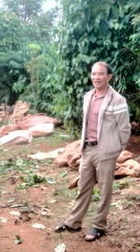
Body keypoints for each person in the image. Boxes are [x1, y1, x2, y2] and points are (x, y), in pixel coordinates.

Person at [54, 61, 131, 241]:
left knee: (105, 189)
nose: (96, 77)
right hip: (88, 148)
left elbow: (125, 128)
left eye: (101, 74)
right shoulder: (88, 96)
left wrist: (116, 149)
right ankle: (73, 222)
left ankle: (99, 226)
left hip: (106, 151)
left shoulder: (117, 99)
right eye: (94, 74)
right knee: (83, 186)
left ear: (109, 77)